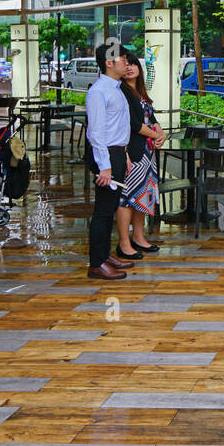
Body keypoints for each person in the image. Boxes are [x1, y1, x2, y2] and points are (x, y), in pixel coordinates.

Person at [85, 42, 133, 280]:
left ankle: (105, 255)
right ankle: (96, 263)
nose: (127, 62)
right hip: (104, 156)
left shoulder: (116, 88)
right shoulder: (98, 91)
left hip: (115, 153)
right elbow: (96, 132)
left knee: (111, 207)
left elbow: (117, 127)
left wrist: (123, 154)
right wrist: (104, 166)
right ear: (108, 62)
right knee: (103, 211)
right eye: (122, 58)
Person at [116, 51, 164, 259]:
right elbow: (134, 125)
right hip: (131, 152)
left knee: (142, 195)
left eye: (133, 64)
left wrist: (161, 133)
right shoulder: (122, 92)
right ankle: (124, 243)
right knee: (127, 197)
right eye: (125, 64)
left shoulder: (141, 93)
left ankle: (138, 237)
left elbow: (151, 117)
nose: (129, 67)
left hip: (147, 153)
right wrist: (154, 134)